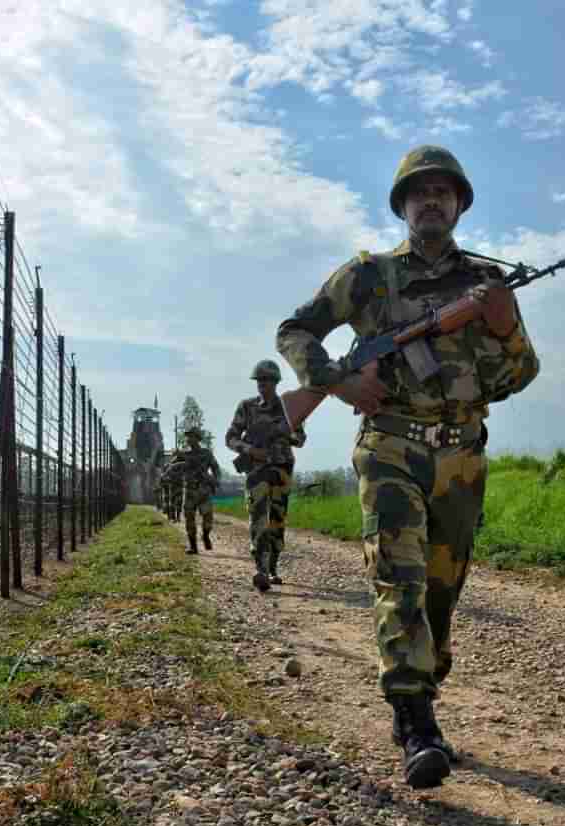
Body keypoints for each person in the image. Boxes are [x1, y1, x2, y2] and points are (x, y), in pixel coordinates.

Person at [275, 145, 539, 790]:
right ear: (402, 205)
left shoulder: (483, 284)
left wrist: (505, 328)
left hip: (460, 456)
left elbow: (518, 376)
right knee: (400, 579)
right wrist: (334, 382)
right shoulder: (367, 276)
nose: (431, 201)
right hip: (390, 445)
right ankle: (416, 721)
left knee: (443, 595)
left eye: (443, 192)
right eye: (419, 192)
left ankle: (422, 684)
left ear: (458, 204)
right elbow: (295, 329)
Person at [225, 359, 306, 591]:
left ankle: (272, 567)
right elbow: (230, 437)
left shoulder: (288, 407)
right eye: (259, 381)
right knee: (257, 518)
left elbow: (300, 439)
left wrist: (285, 434)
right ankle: (260, 570)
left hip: (281, 468)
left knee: (277, 519)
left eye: (267, 380)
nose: (263, 385)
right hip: (256, 470)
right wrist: (250, 450)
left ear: (276, 382)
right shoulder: (247, 407)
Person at [176, 428, 220, 554]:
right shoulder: (184, 455)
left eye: (192, 436)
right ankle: (193, 546)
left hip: (204, 490)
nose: (189, 439)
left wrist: (216, 480)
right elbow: (173, 468)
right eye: (188, 436)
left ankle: (205, 535)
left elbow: (216, 468)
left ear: (198, 438)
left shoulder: (206, 453)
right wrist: (176, 458)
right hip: (189, 490)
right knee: (189, 519)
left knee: (208, 519)